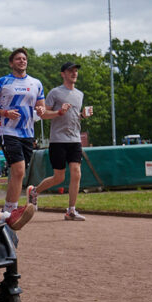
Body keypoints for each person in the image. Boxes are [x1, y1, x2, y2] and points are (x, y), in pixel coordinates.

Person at [0, 48, 45, 214]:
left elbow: (41, 106)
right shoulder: (2, 82)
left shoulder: (36, 83)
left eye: (24, 58)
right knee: (18, 170)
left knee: (19, 173)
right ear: (12, 63)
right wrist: (4, 112)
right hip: (8, 131)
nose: (22, 61)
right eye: (18, 59)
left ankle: (8, 208)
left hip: (28, 133)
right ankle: (11, 211)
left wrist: (41, 111)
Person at [33, 61, 93, 221]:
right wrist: (59, 112)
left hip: (74, 139)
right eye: (70, 71)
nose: (74, 73)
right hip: (58, 140)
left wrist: (83, 115)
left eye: (76, 71)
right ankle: (34, 191)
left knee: (76, 173)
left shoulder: (80, 94)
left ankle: (71, 210)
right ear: (63, 74)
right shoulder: (55, 92)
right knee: (58, 177)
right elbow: (43, 114)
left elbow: (75, 116)